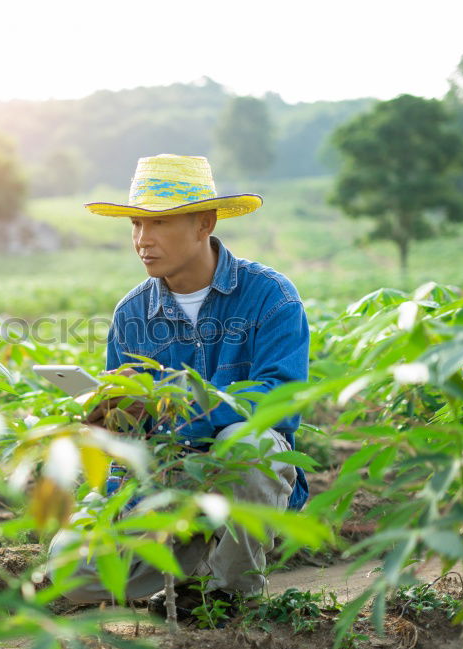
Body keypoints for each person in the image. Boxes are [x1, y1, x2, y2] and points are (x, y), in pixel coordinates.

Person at [47, 154, 310, 621]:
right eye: (136, 224)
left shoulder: (270, 296)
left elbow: (280, 402)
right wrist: (110, 421)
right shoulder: (131, 314)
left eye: (160, 223)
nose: (142, 240)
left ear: (203, 223)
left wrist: (177, 406)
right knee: (72, 567)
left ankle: (231, 592)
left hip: (240, 476)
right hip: (165, 482)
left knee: (249, 443)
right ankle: (195, 569)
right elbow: (128, 443)